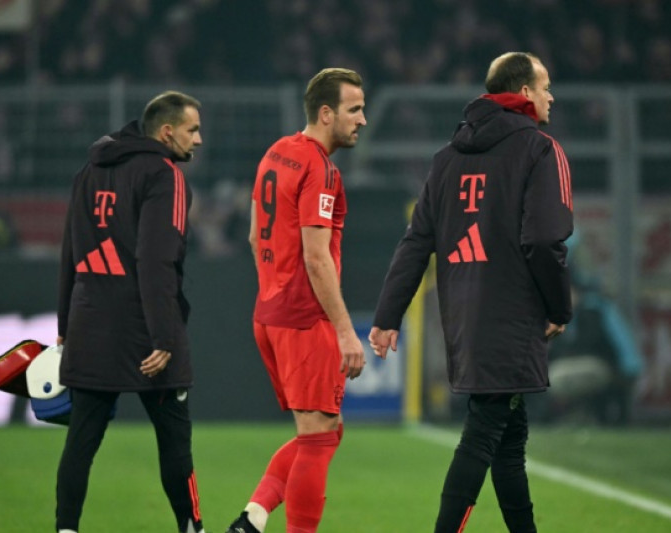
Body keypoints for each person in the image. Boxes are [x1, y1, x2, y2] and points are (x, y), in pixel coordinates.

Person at [369, 52, 573, 533]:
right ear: (523, 93)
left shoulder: (446, 159)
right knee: (484, 433)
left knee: (508, 438)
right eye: (545, 86)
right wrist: (559, 306)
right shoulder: (540, 150)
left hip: (462, 314)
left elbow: (417, 242)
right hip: (512, 312)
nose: (551, 96)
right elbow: (545, 239)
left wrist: (386, 316)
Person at [225, 68, 367, 533]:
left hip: (268, 312)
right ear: (326, 113)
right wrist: (346, 330)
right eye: (354, 109)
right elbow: (316, 256)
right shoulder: (320, 168)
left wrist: (274, 289)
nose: (362, 120)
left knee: (326, 430)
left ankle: (254, 517)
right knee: (318, 440)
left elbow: (252, 236)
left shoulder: (276, 152)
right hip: (305, 320)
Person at [55, 91, 205, 533]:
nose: (198, 139)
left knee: (80, 441)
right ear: (166, 132)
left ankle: (65, 529)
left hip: (90, 324)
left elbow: (70, 251)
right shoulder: (165, 175)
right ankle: (191, 527)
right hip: (146, 333)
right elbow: (156, 260)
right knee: (175, 442)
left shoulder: (88, 170)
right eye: (193, 129)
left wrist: (65, 325)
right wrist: (164, 336)